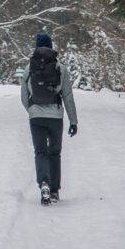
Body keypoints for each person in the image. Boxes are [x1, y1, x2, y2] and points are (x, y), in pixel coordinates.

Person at [20, 32, 77, 204]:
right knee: (54, 152)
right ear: (51, 46)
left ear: (36, 46)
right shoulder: (60, 68)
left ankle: (44, 182)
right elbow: (67, 96)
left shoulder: (30, 68)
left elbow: (24, 96)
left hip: (36, 117)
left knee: (40, 151)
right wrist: (73, 121)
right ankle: (54, 190)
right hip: (55, 117)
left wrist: (31, 110)